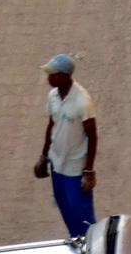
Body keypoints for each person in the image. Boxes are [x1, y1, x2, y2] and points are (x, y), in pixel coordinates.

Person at [33, 54, 98, 237]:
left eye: (53, 74)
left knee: (82, 214)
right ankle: (75, 239)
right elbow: (51, 125)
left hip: (75, 167)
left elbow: (92, 137)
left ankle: (91, 247)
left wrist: (89, 171)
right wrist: (44, 156)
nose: (49, 78)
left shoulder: (82, 102)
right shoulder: (53, 96)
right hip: (56, 163)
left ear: (65, 75)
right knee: (64, 206)